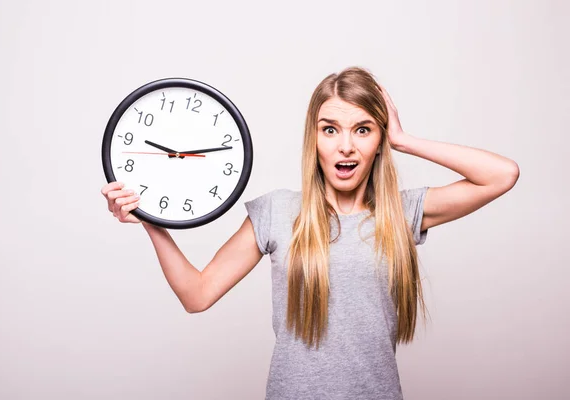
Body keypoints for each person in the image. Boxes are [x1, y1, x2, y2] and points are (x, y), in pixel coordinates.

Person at [101, 66, 519, 399]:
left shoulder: (399, 213)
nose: (346, 147)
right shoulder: (277, 211)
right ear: (314, 138)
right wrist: (152, 220)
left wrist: (405, 140)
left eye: (363, 129)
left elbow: (501, 175)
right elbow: (196, 295)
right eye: (330, 129)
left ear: (378, 142)